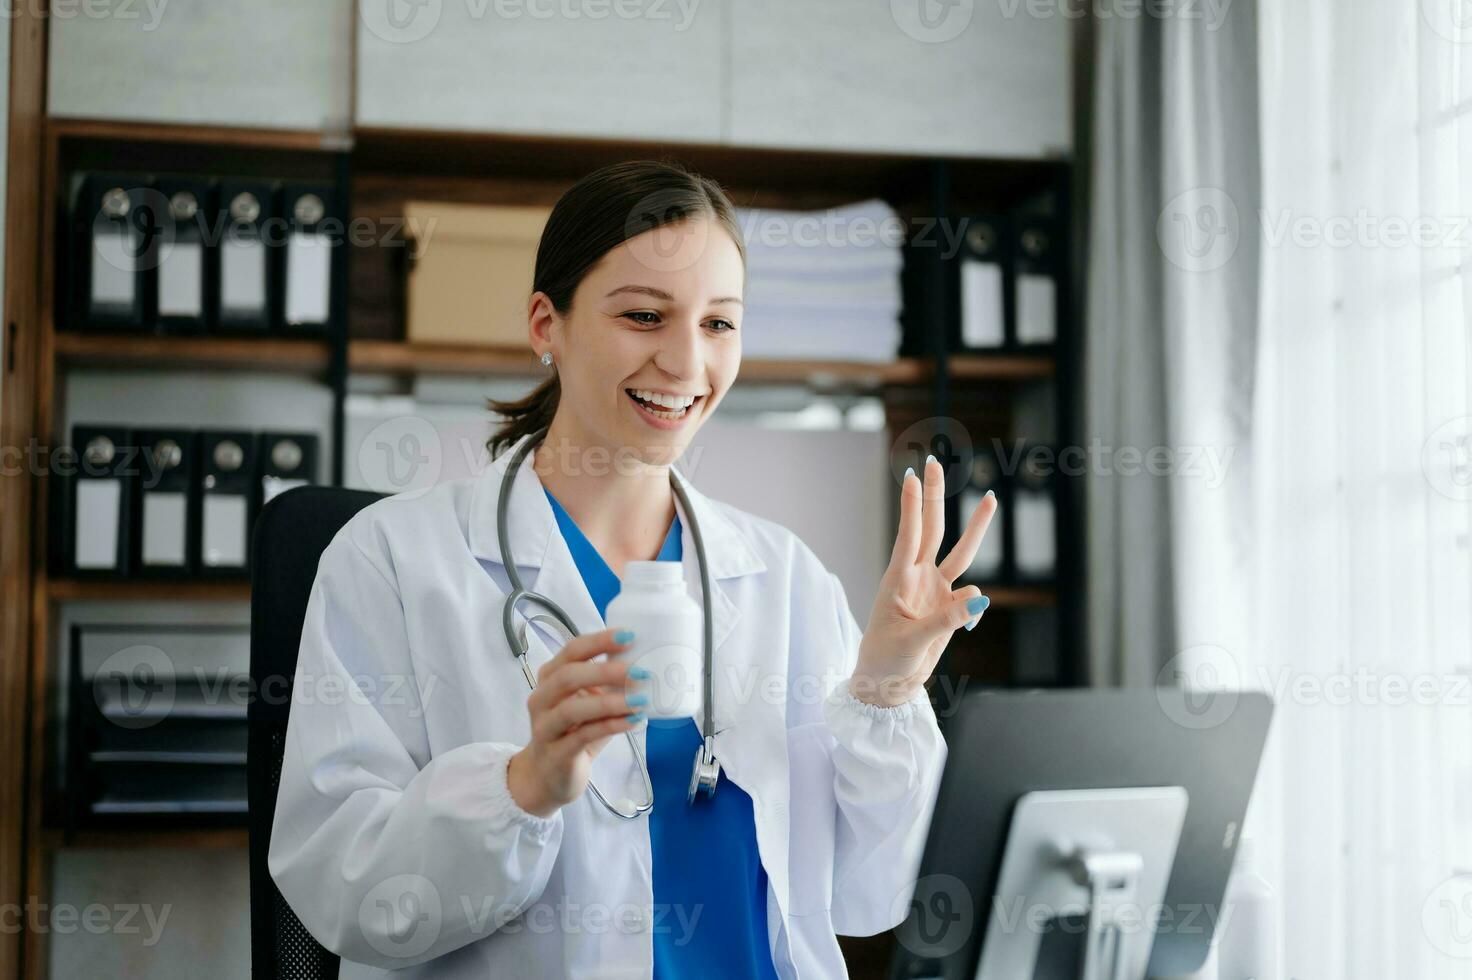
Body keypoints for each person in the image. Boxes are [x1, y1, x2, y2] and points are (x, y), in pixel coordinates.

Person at [267, 159, 998, 979]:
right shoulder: (393, 561)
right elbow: (346, 893)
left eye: (719, 324)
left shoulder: (784, 576)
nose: (687, 364)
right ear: (547, 324)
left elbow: (871, 891)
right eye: (645, 316)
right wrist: (523, 787)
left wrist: (887, 690)